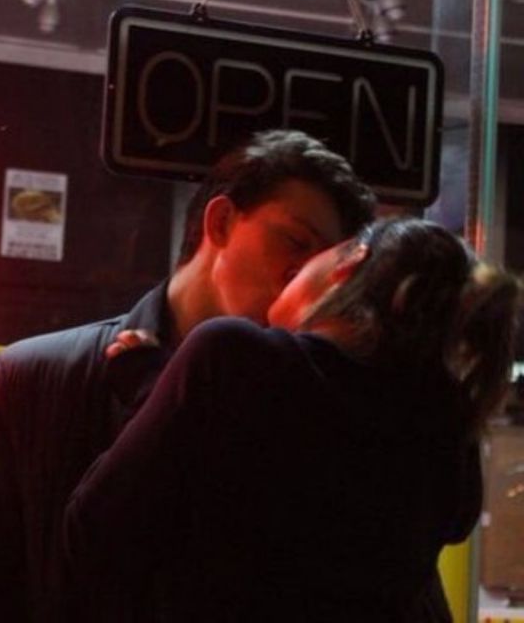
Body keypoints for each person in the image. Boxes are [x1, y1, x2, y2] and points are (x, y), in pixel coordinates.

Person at [0, 130, 376, 622]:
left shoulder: (321, 421)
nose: (303, 279)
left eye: (325, 269)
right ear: (220, 222)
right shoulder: (31, 384)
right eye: (295, 243)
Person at [63, 218, 522, 623]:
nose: (292, 268)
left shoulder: (232, 357)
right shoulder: (443, 422)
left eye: (310, 252)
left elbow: (94, 526)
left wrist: (154, 389)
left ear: (349, 264)